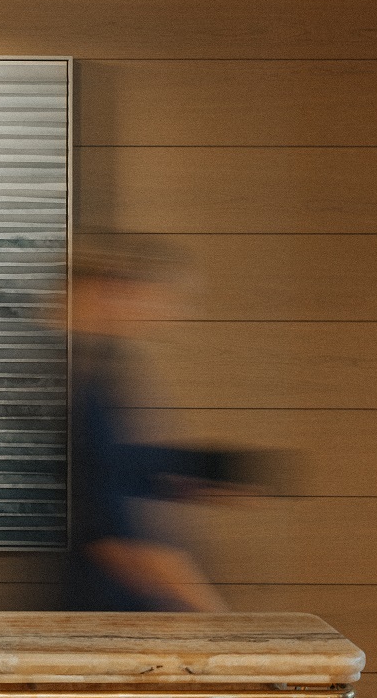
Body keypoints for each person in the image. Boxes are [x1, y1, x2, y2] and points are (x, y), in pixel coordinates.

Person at [62, 237, 263, 614]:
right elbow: (111, 532)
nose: (168, 311)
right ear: (110, 291)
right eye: (155, 295)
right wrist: (219, 619)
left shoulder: (102, 368)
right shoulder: (81, 384)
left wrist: (205, 476)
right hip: (106, 612)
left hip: (119, 606)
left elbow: (123, 467)